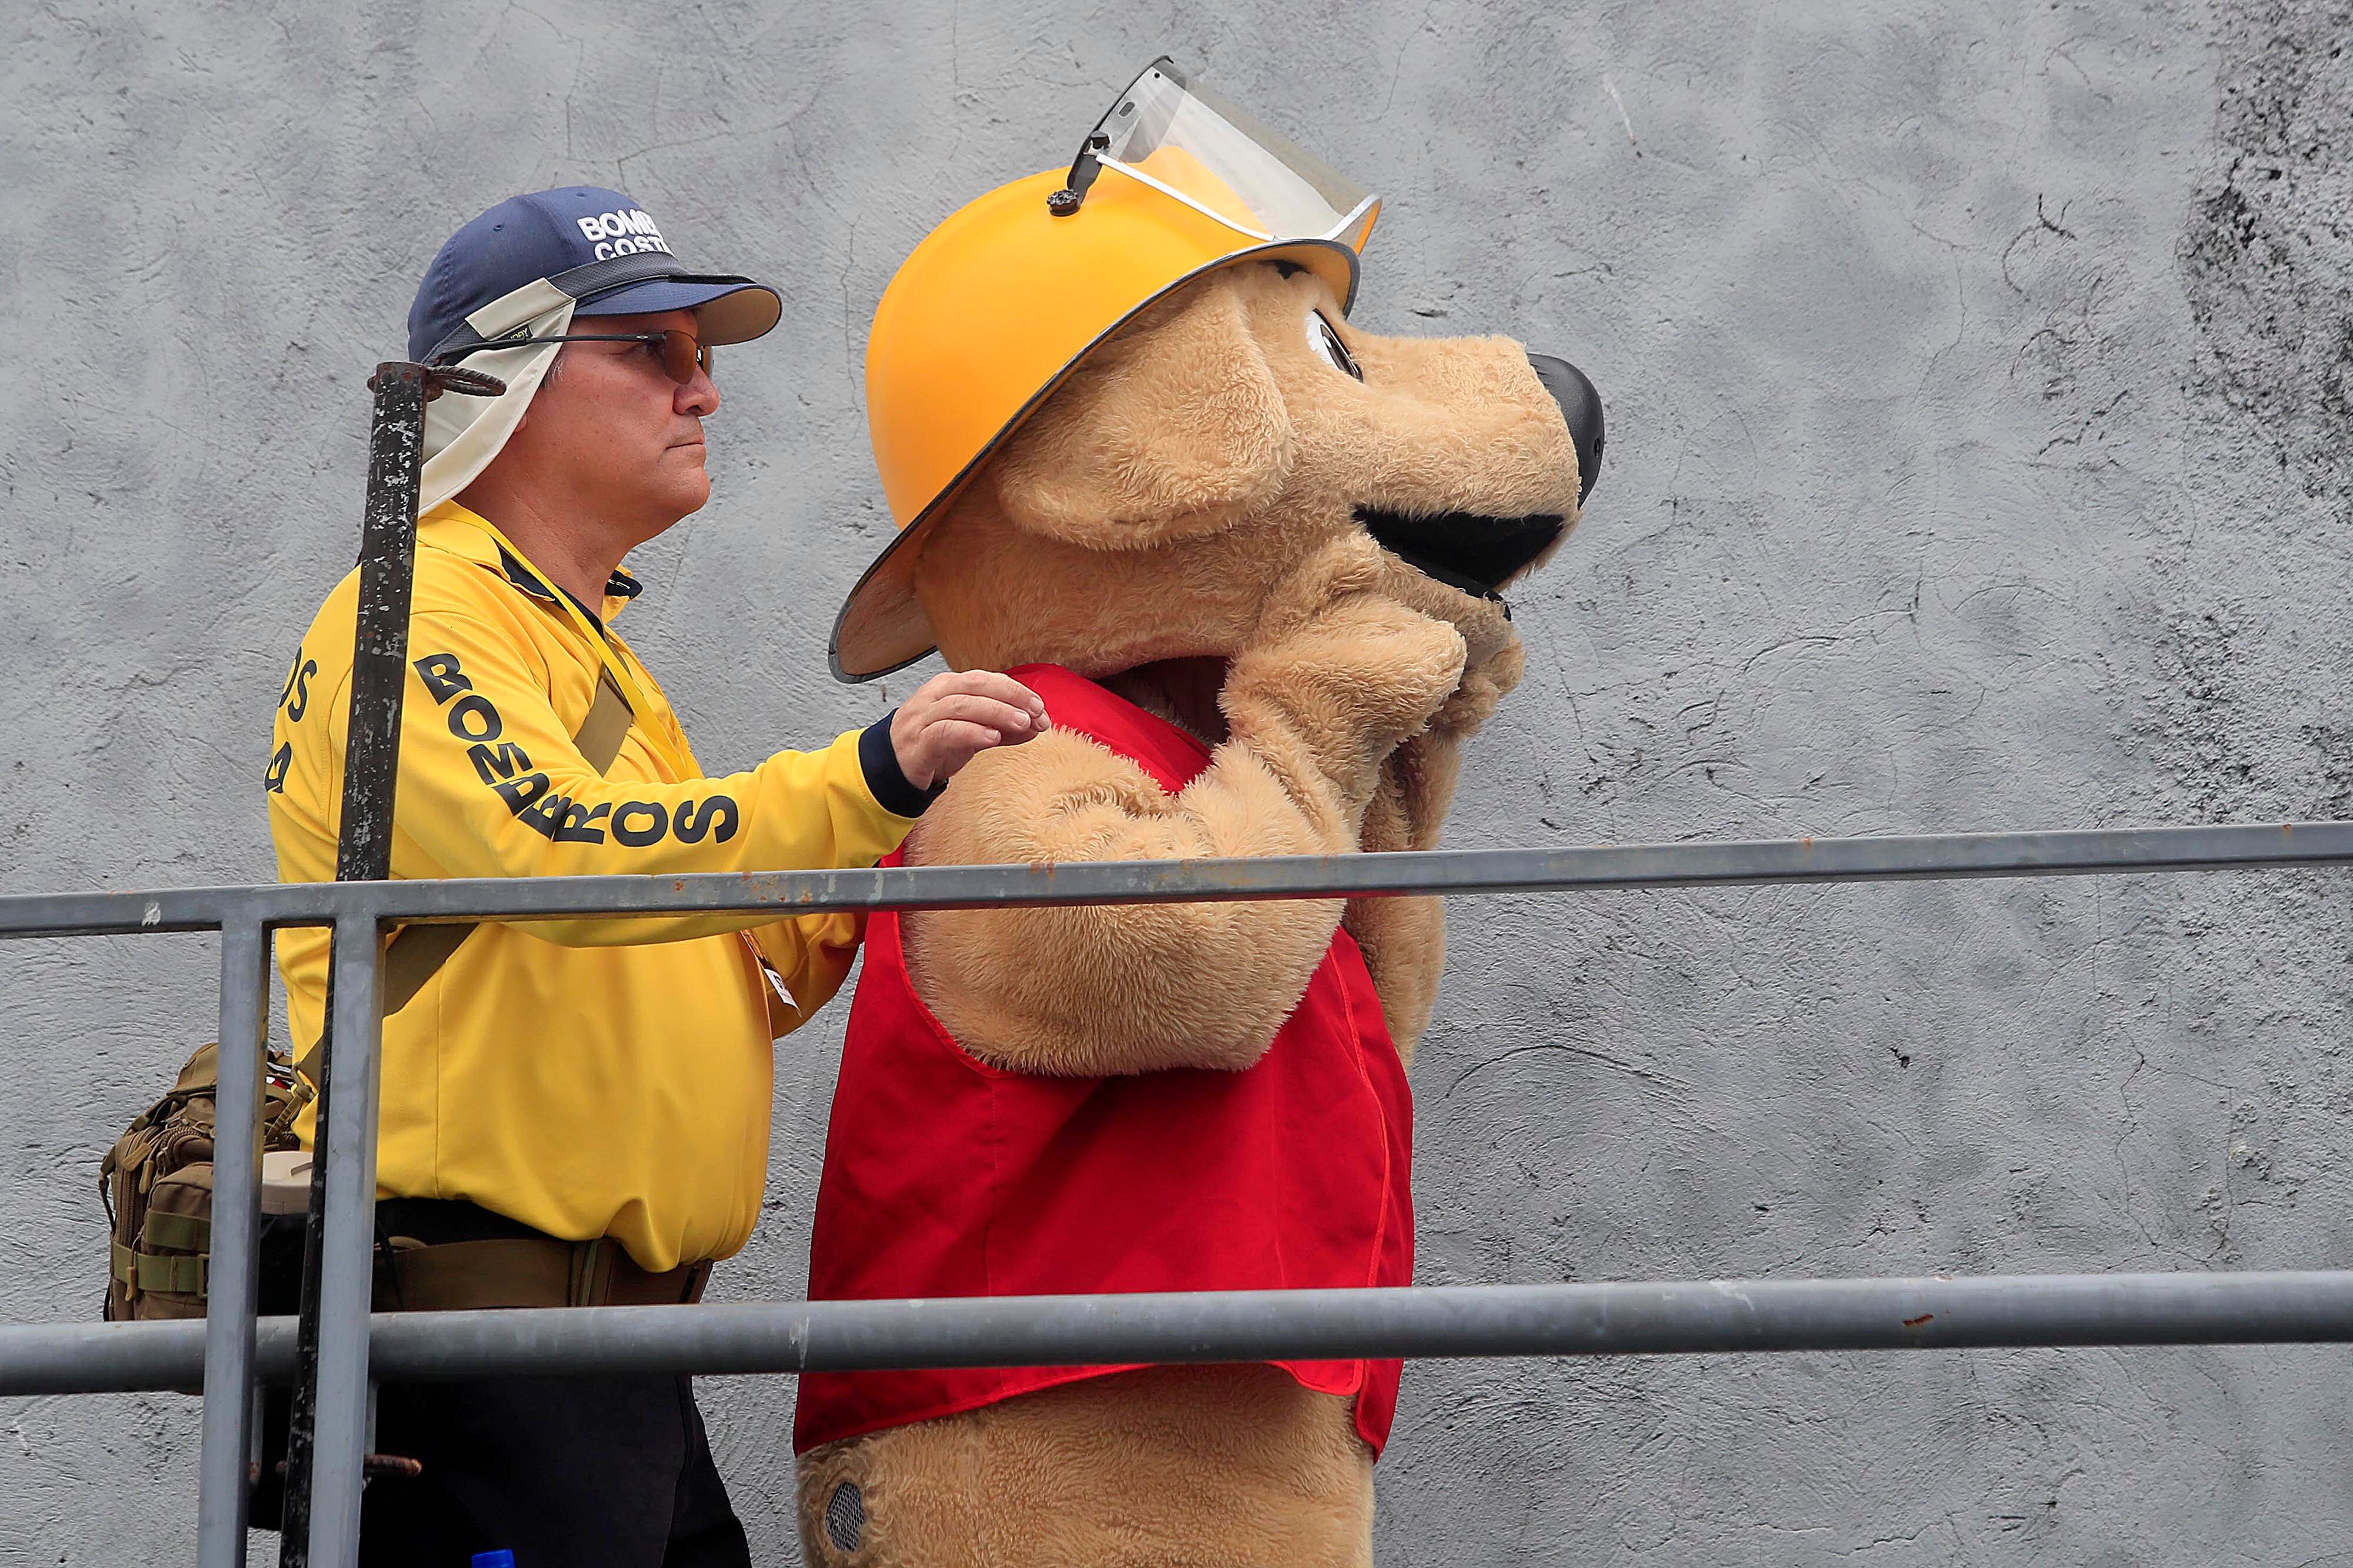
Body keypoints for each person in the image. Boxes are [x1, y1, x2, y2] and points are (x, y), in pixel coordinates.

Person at [261, 186, 1046, 1565]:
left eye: (701, 355)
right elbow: (560, 854)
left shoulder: (568, 638)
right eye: (650, 351)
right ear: (501, 386)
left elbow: (721, 957)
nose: (703, 392)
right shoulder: (419, 605)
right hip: (489, 1352)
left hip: (596, 1360)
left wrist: (907, 838)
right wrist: (867, 776)